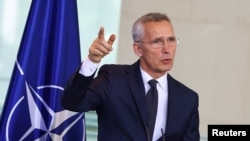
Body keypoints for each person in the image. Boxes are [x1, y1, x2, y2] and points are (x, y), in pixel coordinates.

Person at [61, 12, 200, 141]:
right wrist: (92, 61)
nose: (167, 49)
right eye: (157, 42)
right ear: (138, 49)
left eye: (171, 40)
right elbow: (73, 102)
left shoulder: (187, 98)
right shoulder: (113, 79)